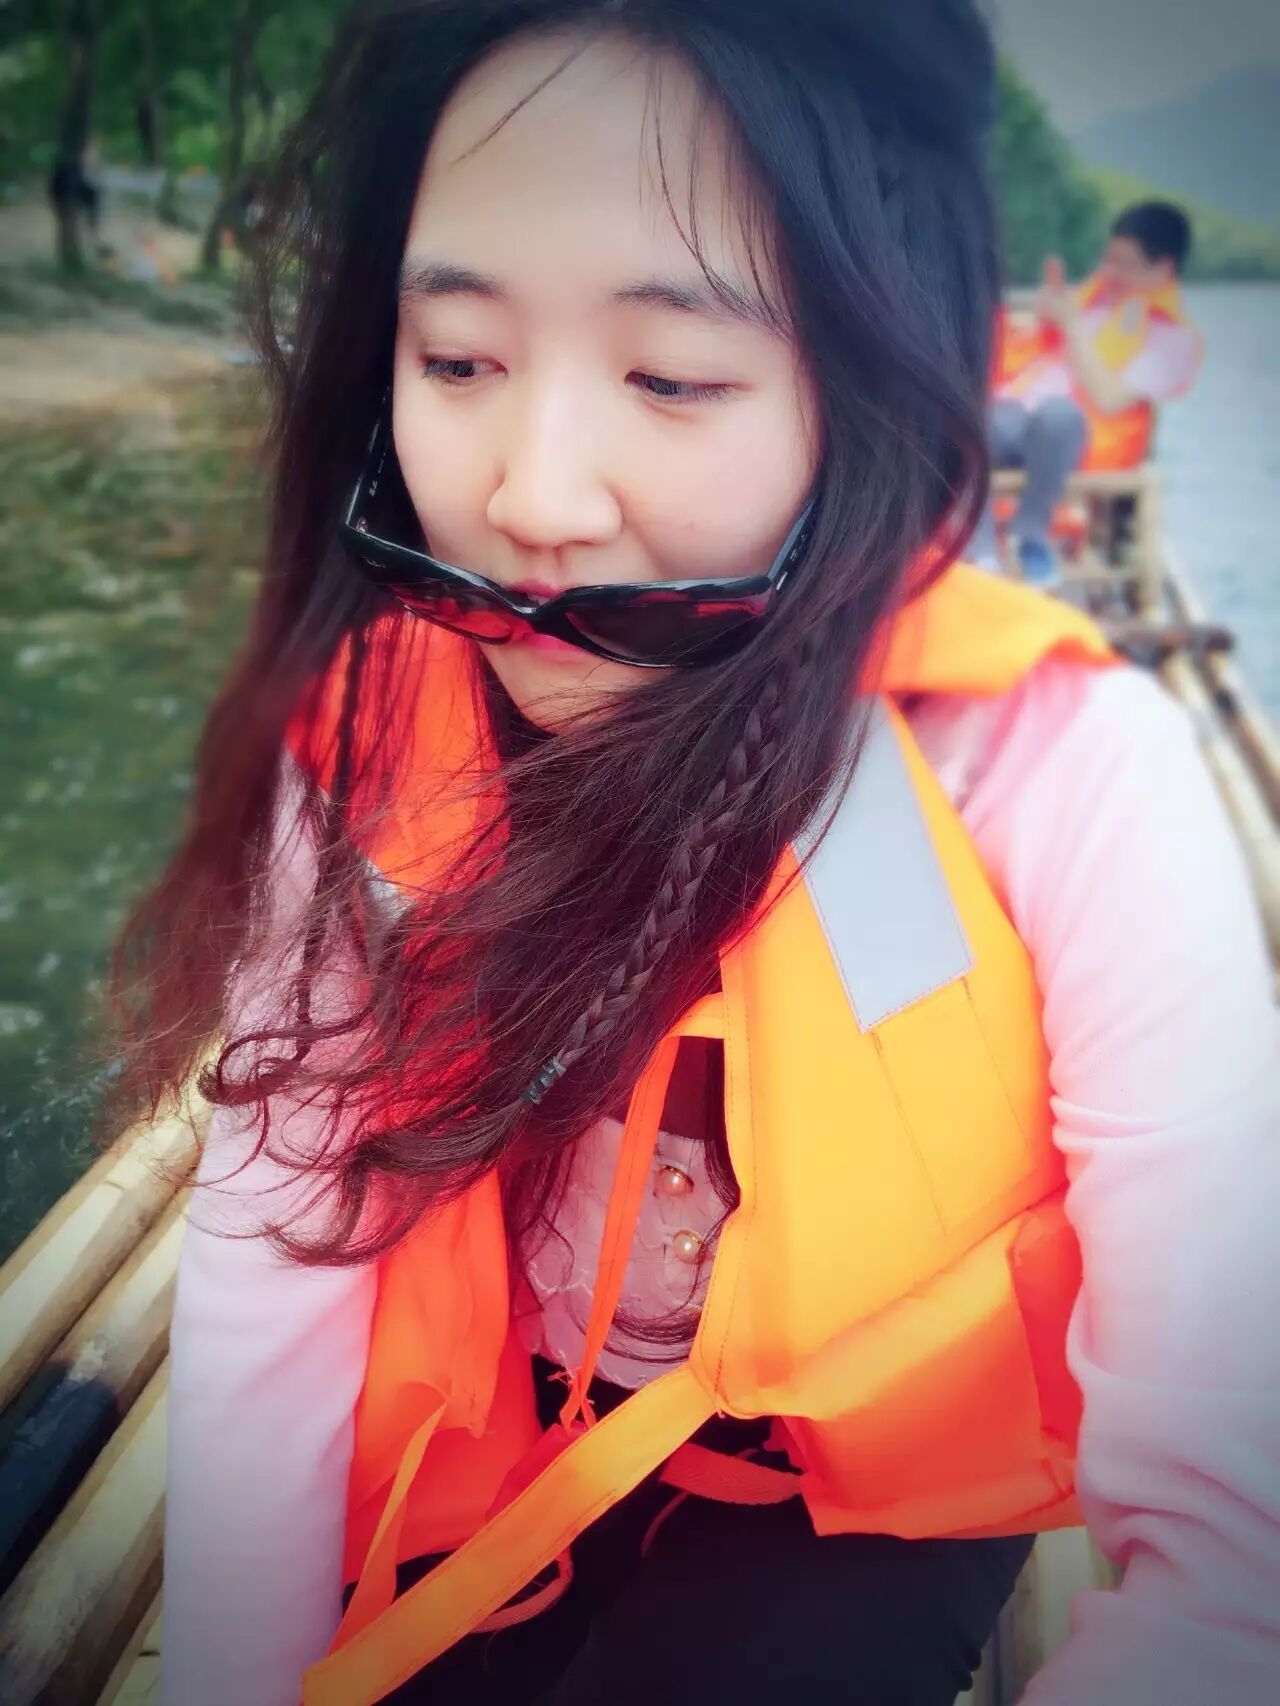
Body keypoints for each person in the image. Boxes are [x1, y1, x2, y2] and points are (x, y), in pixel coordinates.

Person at [112, 4, 1278, 1704]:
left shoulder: (1051, 770)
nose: (535, 498)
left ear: (866, 381)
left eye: (672, 378)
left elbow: (1239, 1550)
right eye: (457, 361)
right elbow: (276, 1254)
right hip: (507, 1419)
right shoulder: (375, 739)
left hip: (850, 1490)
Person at [973, 202, 1202, 585]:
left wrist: (1071, 324)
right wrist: (1047, 315)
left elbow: (1108, 397)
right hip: (1014, 420)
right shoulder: (1092, 303)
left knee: (1059, 414)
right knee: (960, 416)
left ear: (1162, 269)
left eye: (1125, 264)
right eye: (1108, 259)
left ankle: (1030, 537)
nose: (1110, 273)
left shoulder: (1172, 340)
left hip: (1076, 439)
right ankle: (980, 554)